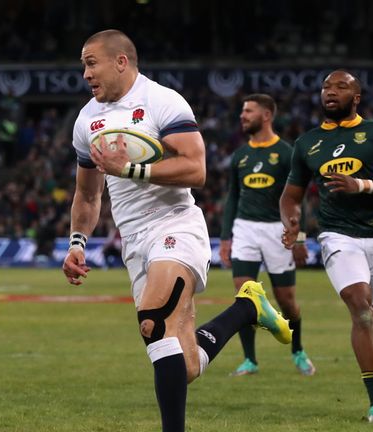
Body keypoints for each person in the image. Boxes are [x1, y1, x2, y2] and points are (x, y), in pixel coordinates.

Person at [62, 29, 291, 432]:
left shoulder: (161, 101)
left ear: (121, 61)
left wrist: (131, 168)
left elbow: (196, 169)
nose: (85, 73)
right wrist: (77, 243)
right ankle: (247, 308)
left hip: (175, 224)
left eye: (91, 62)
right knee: (180, 364)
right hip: (133, 240)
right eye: (83, 64)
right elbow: (87, 194)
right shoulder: (87, 119)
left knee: (153, 320)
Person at [280, 70, 373, 423]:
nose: (331, 91)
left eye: (341, 87)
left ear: (356, 98)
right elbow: (291, 197)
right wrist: (293, 226)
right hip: (337, 236)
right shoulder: (307, 143)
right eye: (326, 86)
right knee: (361, 308)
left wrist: (363, 186)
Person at [219, 94, 315, 377]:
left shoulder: (286, 153)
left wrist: (299, 237)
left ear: (267, 115)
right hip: (245, 228)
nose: (243, 115)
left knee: (285, 299)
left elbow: (300, 200)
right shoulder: (240, 155)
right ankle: (250, 360)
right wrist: (226, 238)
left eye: (249, 111)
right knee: (245, 297)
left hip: (278, 229)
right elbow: (232, 198)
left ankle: (297, 349)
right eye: (242, 111)